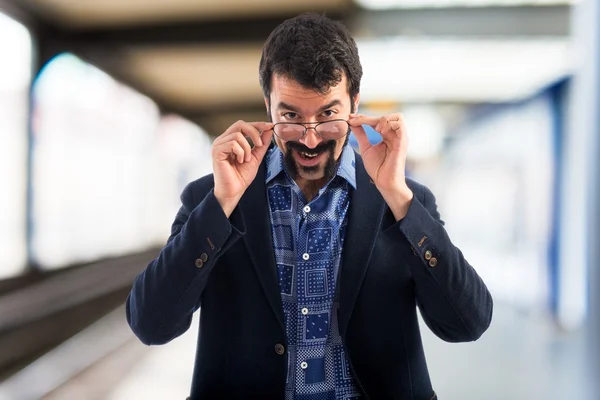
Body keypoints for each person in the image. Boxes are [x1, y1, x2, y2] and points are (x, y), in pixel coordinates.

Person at [126, 12, 493, 400]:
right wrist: (221, 205)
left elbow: (467, 324)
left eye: (328, 114)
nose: (312, 138)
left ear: (354, 103)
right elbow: (152, 325)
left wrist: (398, 199)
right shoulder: (211, 198)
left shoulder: (405, 200)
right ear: (268, 105)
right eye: (291, 116)